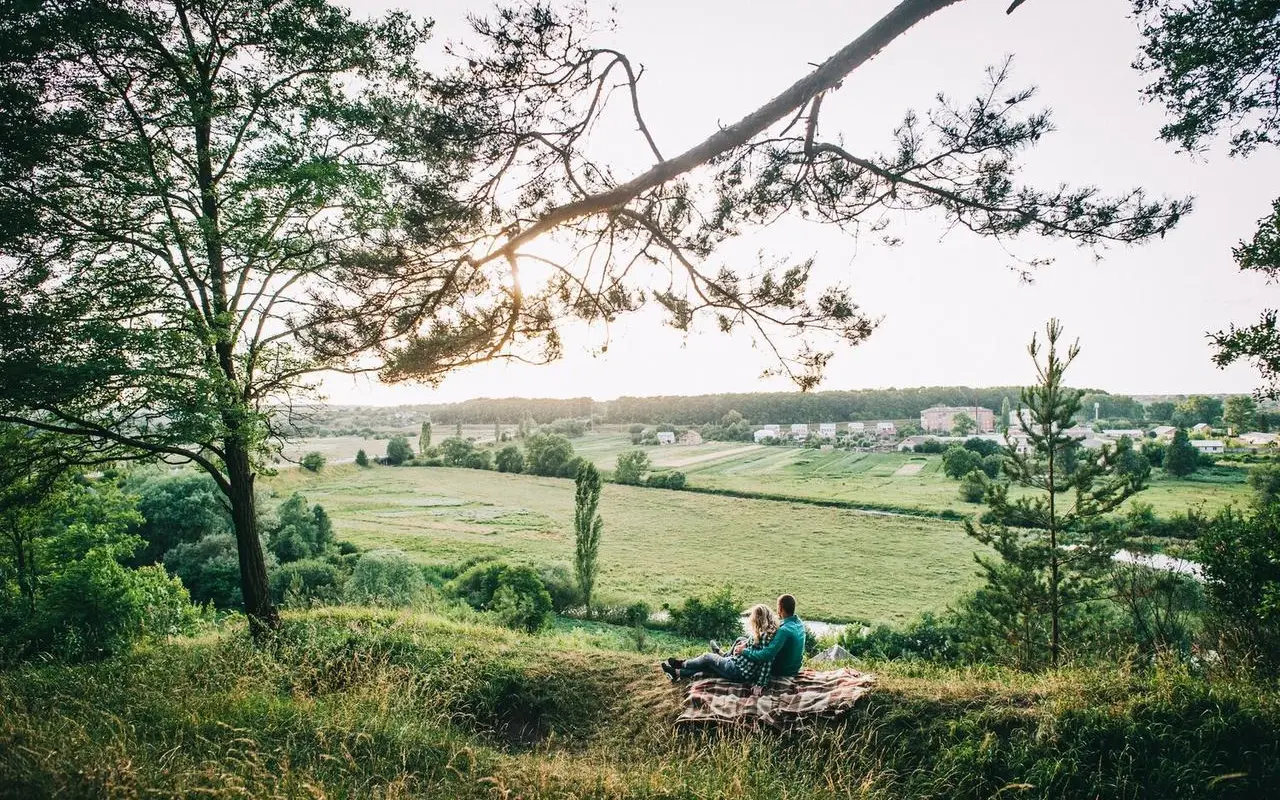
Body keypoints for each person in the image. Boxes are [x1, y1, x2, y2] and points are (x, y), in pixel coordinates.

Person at [661, 604, 779, 693]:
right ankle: (677, 673)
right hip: (736, 664)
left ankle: (681, 664)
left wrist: (760, 684)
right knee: (708, 666)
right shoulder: (764, 632)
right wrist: (745, 644)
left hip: (737, 670)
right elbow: (755, 646)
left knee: (707, 657)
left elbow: (766, 661)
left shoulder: (764, 636)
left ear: (758, 619)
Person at [736, 594, 805, 678]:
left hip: (782, 670)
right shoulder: (799, 623)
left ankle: (731, 663)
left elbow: (766, 655)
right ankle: (727, 657)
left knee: (743, 643)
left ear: (780, 608)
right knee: (743, 640)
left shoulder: (783, 631)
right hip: (795, 668)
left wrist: (744, 651)